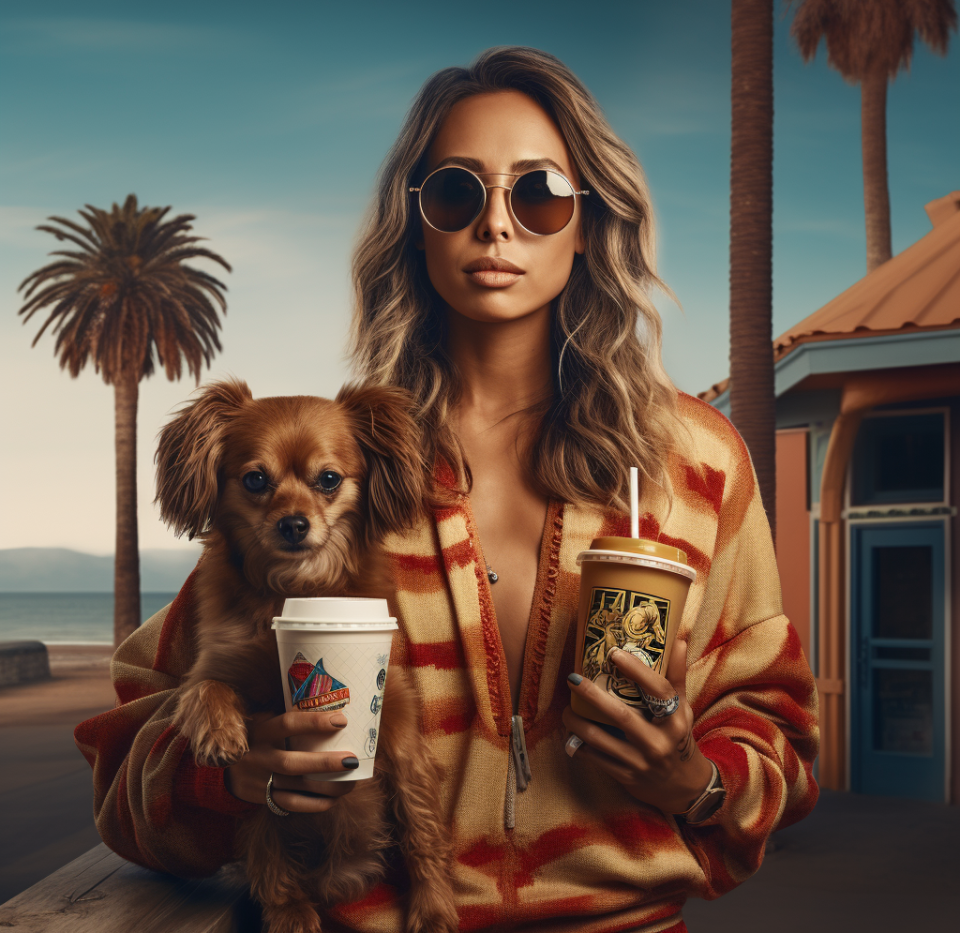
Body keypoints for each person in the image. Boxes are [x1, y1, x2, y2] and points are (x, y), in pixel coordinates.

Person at [75, 47, 819, 933]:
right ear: (416, 223)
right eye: (457, 193)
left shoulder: (695, 463)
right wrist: (224, 775)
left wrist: (695, 781)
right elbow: (126, 763)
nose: (496, 226)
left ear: (587, 222)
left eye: (538, 193)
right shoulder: (341, 469)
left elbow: (779, 728)